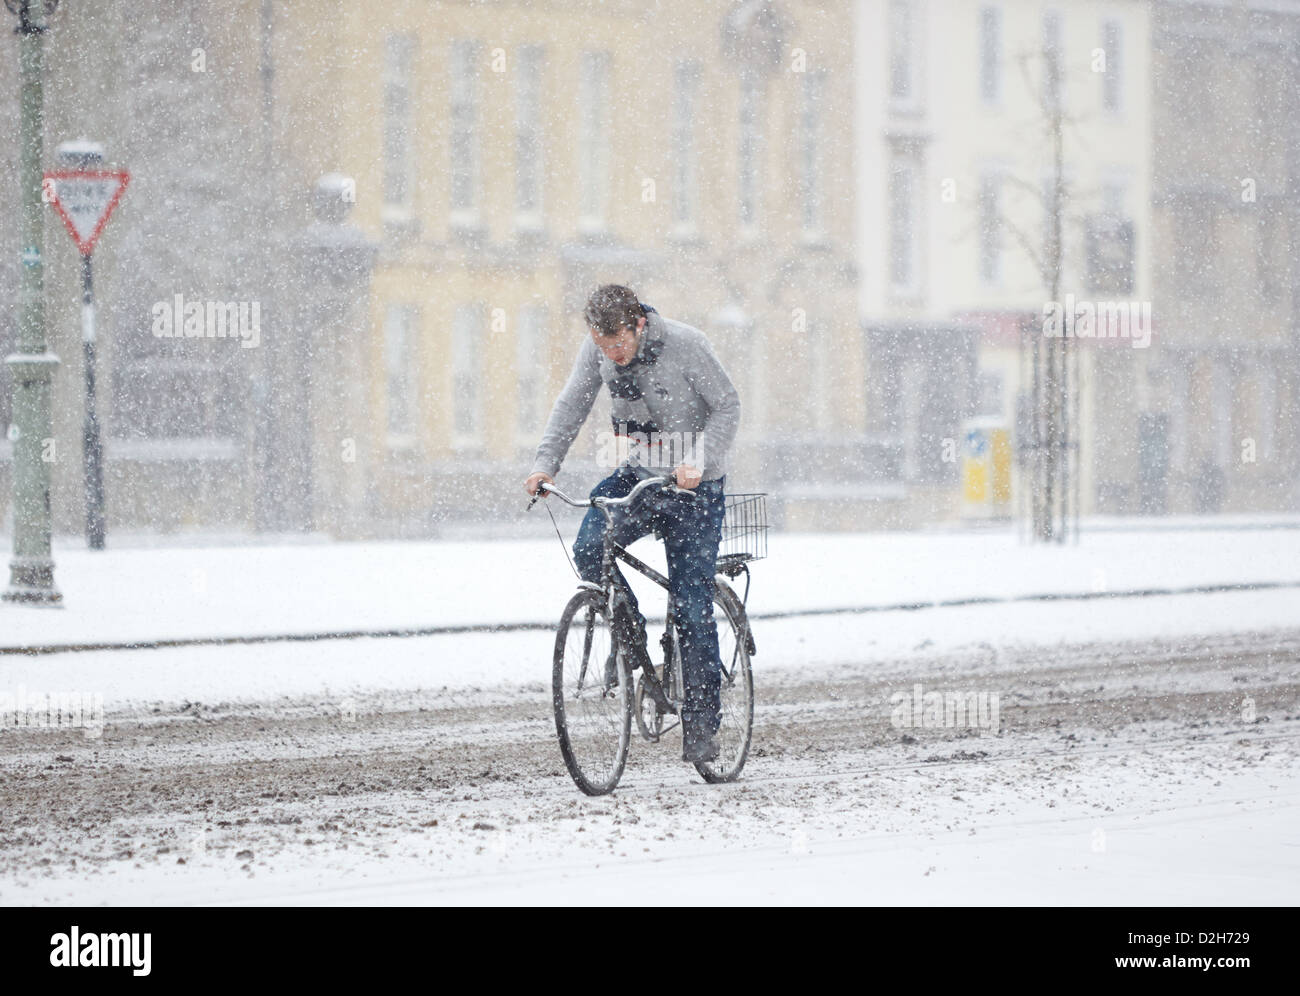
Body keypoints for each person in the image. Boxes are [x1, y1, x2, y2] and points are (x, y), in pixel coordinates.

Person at [524, 284, 741, 763]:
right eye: (603, 346)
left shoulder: (687, 343)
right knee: (589, 548)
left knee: (690, 604)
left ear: (638, 324)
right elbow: (572, 405)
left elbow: (728, 405)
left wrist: (698, 461)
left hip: (694, 486)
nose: (612, 355)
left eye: (618, 343)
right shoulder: (599, 350)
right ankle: (629, 636)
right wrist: (545, 465)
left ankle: (702, 724)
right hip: (641, 473)